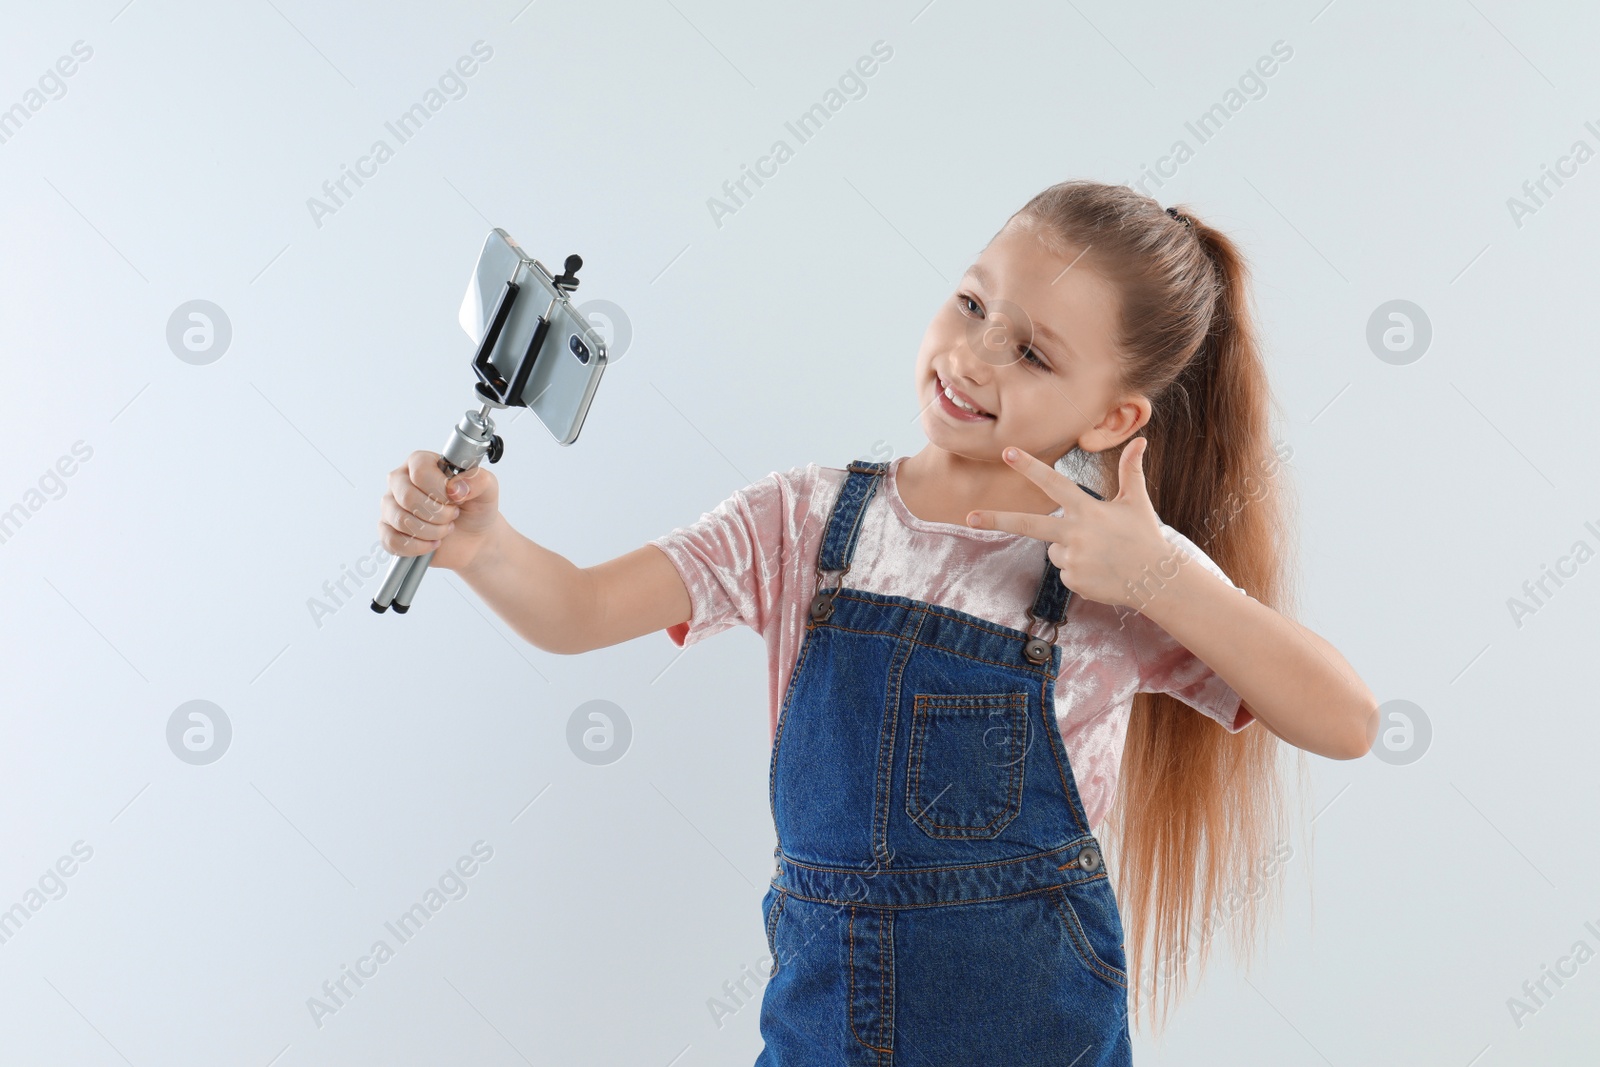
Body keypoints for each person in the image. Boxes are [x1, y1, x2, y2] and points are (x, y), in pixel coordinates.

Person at [378, 179, 1378, 1064]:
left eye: (1030, 351)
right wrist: (481, 545)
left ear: (1113, 417)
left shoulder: (1114, 567)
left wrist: (1160, 576)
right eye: (972, 301)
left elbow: (1344, 720)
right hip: (821, 1030)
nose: (976, 355)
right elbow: (579, 609)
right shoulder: (805, 520)